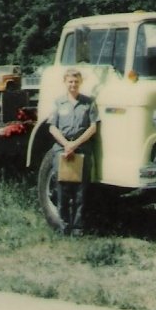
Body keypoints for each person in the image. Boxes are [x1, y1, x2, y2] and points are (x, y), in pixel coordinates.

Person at [47, 69, 100, 236]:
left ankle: (78, 227)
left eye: (76, 82)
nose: (73, 85)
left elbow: (93, 127)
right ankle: (63, 226)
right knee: (62, 189)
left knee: (80, 191)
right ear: (65, 82)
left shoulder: (88, 103)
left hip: (82, 149)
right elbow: (52, 127)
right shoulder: (58, 103)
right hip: (62, 150)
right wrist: (66, 145)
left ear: (80, 83)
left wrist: (75, 144)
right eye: (70, 81)